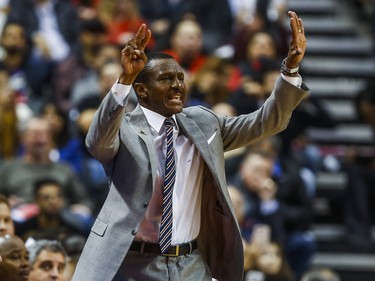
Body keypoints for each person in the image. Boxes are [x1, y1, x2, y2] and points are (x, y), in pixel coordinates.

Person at [72, 10, 308, 281]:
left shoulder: (204, 122)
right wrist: (124, 80)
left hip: (192, 262)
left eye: (181, 78)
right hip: (132, 262)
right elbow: (97, 142)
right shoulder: (122, 127)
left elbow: (266, 123)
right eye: (166, 79)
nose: (177, 85)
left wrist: (289, 71)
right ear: (142, 91)